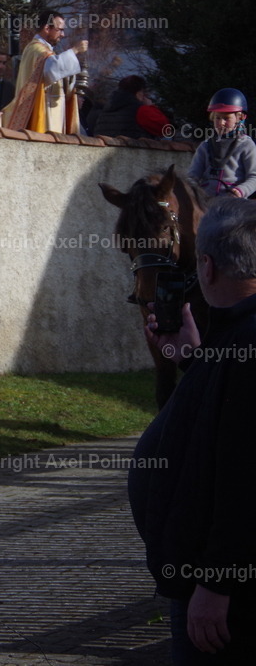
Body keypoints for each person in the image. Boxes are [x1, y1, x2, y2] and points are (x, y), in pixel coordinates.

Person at [129, 198, 256, 664]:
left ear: (205, 265)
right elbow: (224, 419)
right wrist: (189, 358)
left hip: (226, 603)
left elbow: (245, 477)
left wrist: (218, 583)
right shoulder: (236, 335)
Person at [4, 9, 88, 133]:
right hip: (42, 112)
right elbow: (52, 69)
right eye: (60, 30)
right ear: (47, 28)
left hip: (52, 112)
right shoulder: (36, 49)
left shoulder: (44, 51)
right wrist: (75, 50)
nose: (63, 35)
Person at [188, 88, 256, 199]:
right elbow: (192, 176)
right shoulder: (205, 146)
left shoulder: (247, 145)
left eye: (226, 118)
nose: (221, 123)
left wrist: (240, 191)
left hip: (233, 204)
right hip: (206, 202)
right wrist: (193, 191)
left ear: (241, 118)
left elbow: (254, 177)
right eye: (217, 118)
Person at [92, 75, 172, 140]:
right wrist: (151, 107)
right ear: (138, 93)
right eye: (143, 92)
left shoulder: (105, 110)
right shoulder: (141, 110)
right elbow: (166, 130)